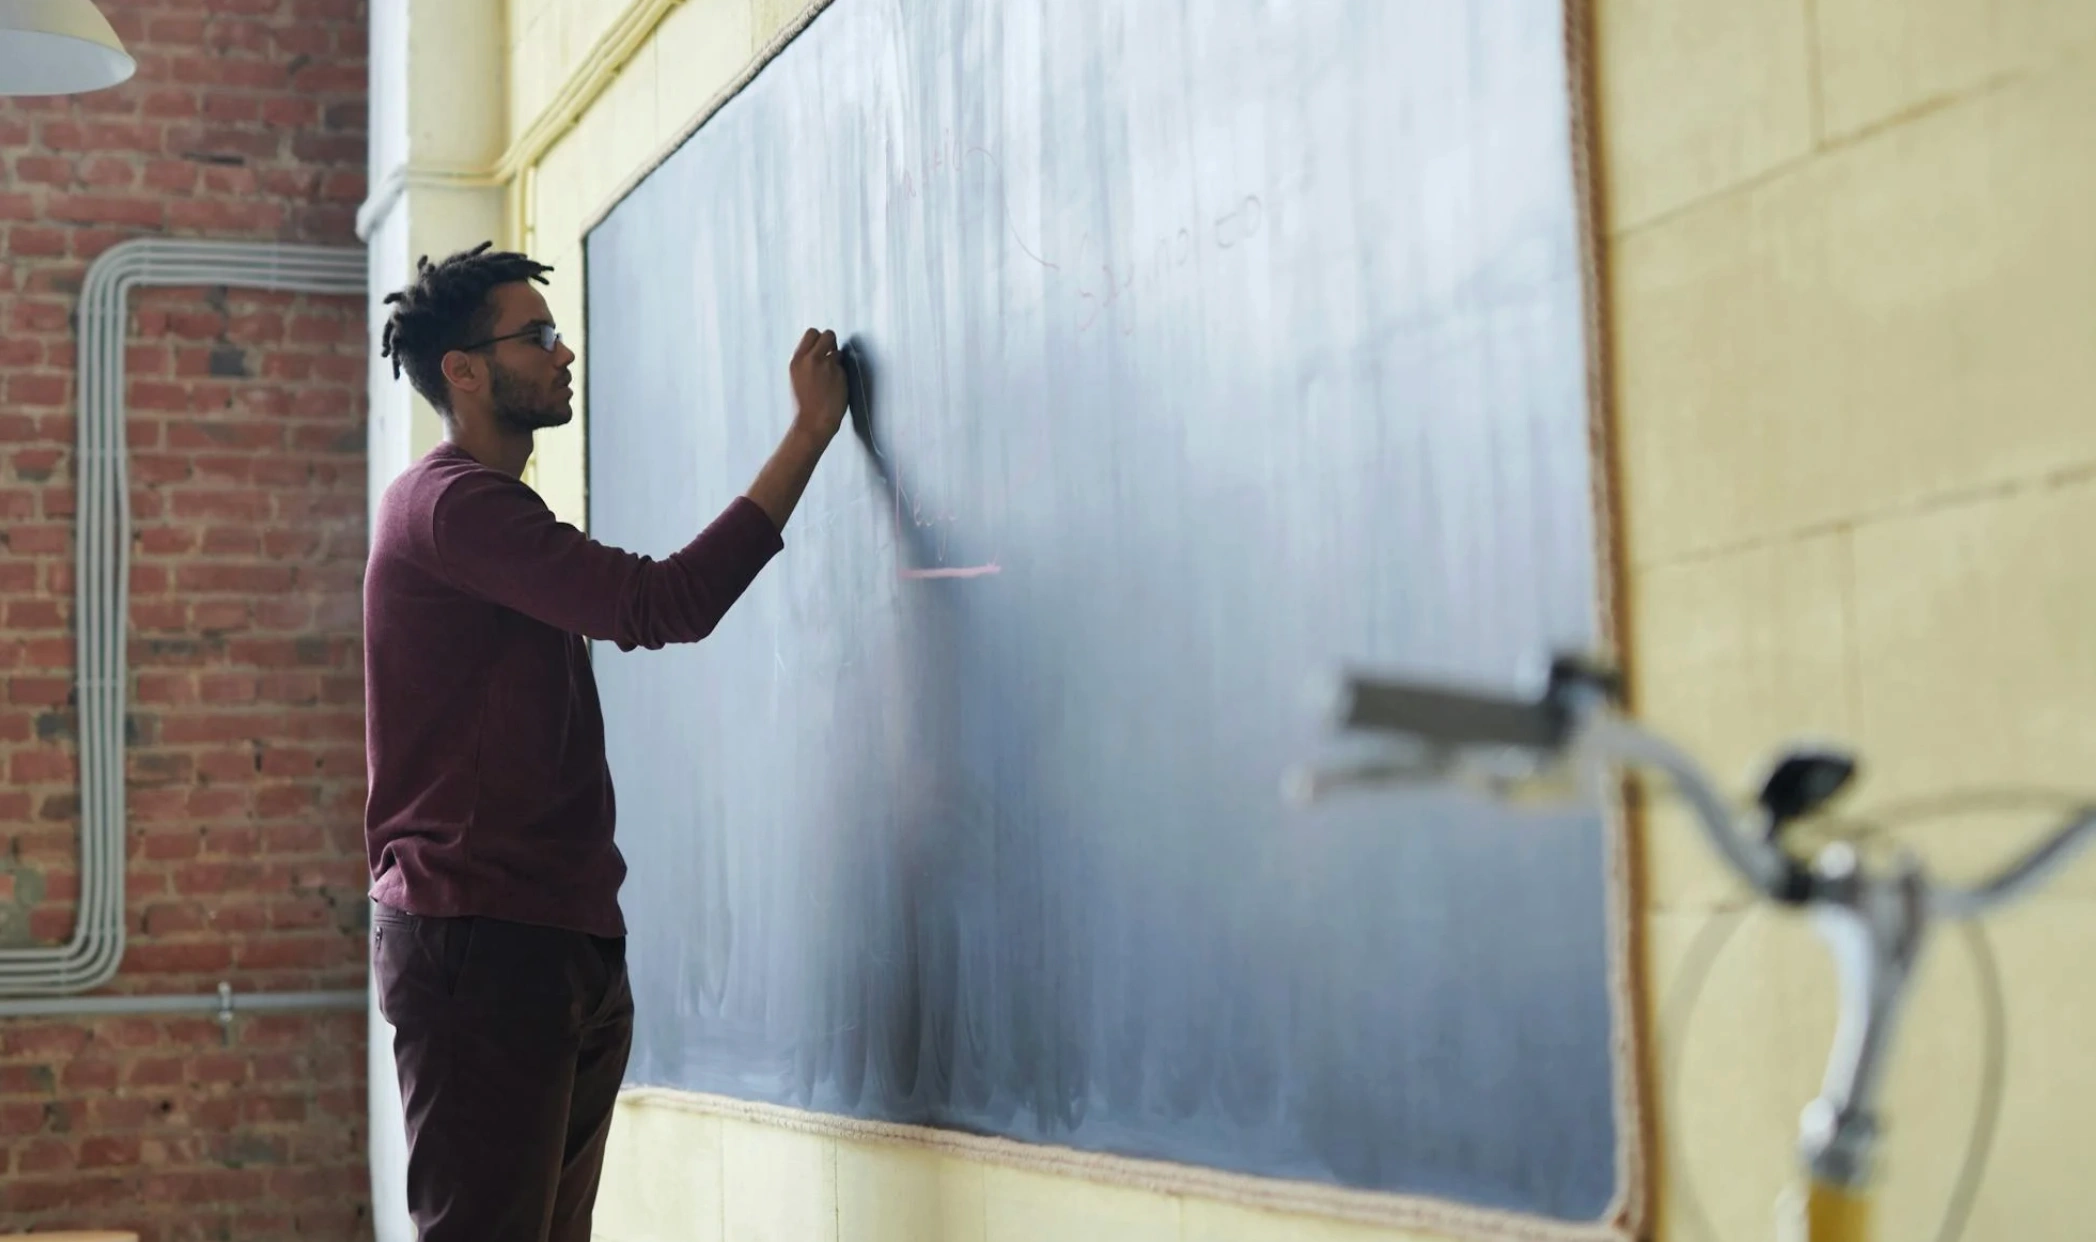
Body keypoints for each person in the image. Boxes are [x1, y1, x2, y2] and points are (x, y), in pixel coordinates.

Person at [363, 241, 847, 1241]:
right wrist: (807, 433)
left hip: (554, 935)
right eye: (536, 337)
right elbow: (662, 601)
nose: (564, 351)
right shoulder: (448, 505)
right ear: (463, 370)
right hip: (480, 936)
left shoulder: (492, 515)